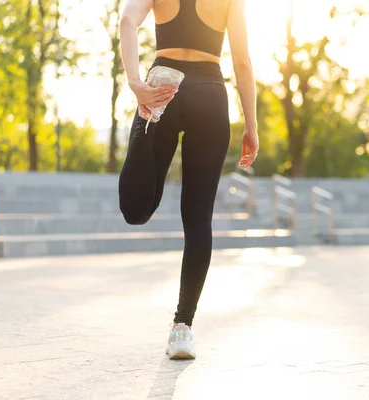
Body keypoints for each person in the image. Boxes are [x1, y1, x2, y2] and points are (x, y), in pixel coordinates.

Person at [118, 0, 258, 359]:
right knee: (198, 219)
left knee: (135, 211)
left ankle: (182, 324)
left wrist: (135, 83)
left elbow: (127, 20)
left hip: (162, 87)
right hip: (210, 94)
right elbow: (242, 61)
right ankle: (183, 328)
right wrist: (251, 127)